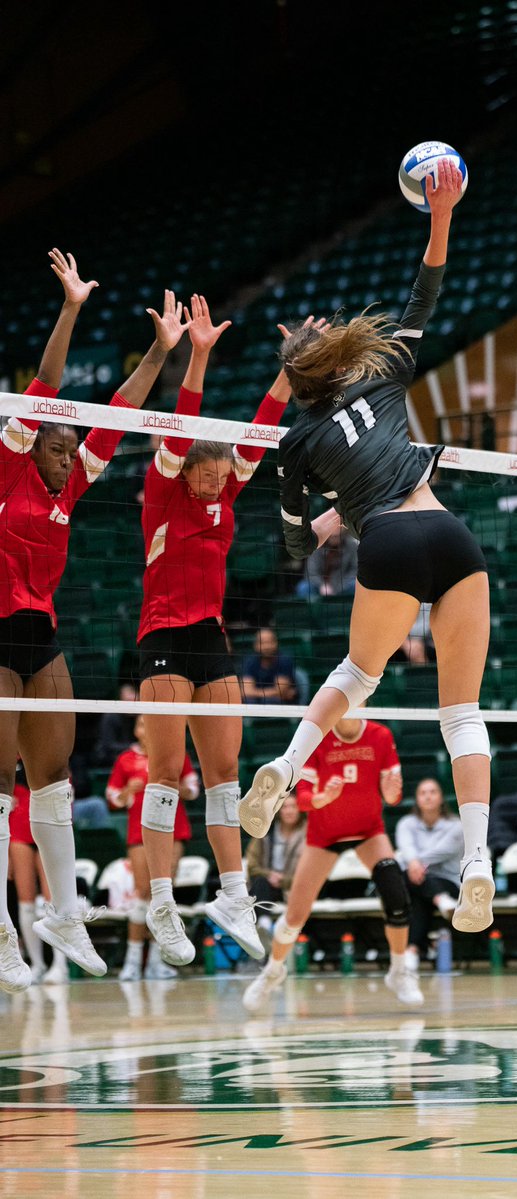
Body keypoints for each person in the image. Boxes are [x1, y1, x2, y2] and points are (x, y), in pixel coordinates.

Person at [239, 159, 496, 937]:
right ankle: (479, 859)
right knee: (462, 713)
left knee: (358, 672)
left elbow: (289, 544)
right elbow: (426, 291)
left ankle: (286, 764)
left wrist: (327, 516)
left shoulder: (297, 436)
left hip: (382, 540)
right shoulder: (382, 373)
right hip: (445, 530)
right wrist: (440, 216)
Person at [0, 251, 188, 992]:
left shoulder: (71, 480)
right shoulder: (11, 463)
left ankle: (64, 914)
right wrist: (72, 308)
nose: (67, 448)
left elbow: (114, 412)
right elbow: (49, 386)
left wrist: (164, 354)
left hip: (39, 630)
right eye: (56, 438)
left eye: (70, 444)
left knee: (52, 770)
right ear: (33, 438)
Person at [135, 293, 300, 971]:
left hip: (211, 637)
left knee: (226, 770)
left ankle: (235, 894)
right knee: (167, 771)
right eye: (212, 468)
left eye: (223, 469)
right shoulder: (163, 487)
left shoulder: (224, 493)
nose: (221, 476)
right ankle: (163, 900)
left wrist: (292, 368)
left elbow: (262, 427)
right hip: (162, 638)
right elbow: (180, 429)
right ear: (191, 465)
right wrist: (198, 354)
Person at [242, 710, 424, 1009]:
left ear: (365, 699)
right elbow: (301, 799)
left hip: (368, 831)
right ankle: (273, 970)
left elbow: (392, 794)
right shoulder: (317, 739)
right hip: (325, 835)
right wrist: (321, 798)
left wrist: (392, 795)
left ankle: (399, 970)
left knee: (395, 890)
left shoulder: (381, 735)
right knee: (295, 915)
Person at [106, 715, 199, 981]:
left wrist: (173, 786)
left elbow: (193, 789)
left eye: (151, 723)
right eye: (142, 724)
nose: (147, 728)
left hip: (174, 831)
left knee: (164, 893)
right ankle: (133, 961)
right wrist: (126, 792)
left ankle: (159, 961)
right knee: (142, 891)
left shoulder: (175, 753)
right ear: (136, 730)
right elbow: (112, 797)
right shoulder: (126, 759)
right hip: (139, 833)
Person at [394, 777, 464, 969]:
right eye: (423, 793)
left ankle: (413, 950)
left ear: (441, 798)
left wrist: (415, 863)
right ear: (416, 799)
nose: (428, 797)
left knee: (413, 883)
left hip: (448, 882)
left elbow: (441, 852)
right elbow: (405, 846)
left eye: (433, 792)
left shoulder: (456, 825)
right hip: (419, 883)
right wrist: (413, 863)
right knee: (415, 891)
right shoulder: (406, 823)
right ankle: (438, 900)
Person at [8, 760, 68, 983]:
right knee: (26, 902)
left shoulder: (46, 749)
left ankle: (60, 964)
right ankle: (37, 964)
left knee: (52, 900)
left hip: (46, 824)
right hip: (18, 830)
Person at [244, 789, 306, 920]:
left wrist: (284, 880)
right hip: (267, 886)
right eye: (284, 807)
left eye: (293, 806)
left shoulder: (307, 834)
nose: (289, 811)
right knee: (260, 882)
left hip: (294, 887)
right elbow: (252, 866)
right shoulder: (265, 833)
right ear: (278, 810)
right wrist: (269, 875)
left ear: (300, 809)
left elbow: (310, 872)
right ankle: (264, 923)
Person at [296, 525, 359, 598]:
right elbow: (311, 572)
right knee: (303, 587)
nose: (335, 538)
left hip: (343, 584)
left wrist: (339, 586)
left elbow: (355, 570)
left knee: (355, 585)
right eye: (333, 536)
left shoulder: (351, 546)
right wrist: (322, 585)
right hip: (320, 585)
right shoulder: (316, 545)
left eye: (338, 536)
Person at [241, 626, 298, 704]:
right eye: (262, 642)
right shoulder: (250, 661)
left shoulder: (284, 660)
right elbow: (246, 691)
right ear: (255, 645)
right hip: (256, 703)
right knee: (249, 701)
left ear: (276, 643)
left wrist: (254, 693)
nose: (266, 646)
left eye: (270, 642)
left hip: (281, 705)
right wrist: (274, 693)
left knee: (271, 701)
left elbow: (280, 691)